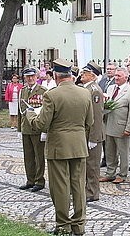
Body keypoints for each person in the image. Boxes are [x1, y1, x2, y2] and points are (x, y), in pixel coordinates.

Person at [26, 59, 93, 236]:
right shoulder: (84, 93)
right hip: (78, 145)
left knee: (60, 186)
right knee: (78, 185)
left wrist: (30, 115)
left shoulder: (52, 95)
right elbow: (90, 122)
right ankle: (79, 225)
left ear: (56, 76)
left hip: (58, 146)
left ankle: (63, 225)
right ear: (71, 75)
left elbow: (42, 124)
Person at [100, 68, 130, 183]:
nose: (116, 78)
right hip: (109, 124)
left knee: (123, 152)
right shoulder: (111, 88)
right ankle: (110, 173)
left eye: (119, 76)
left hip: (122, 127)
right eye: (115, 75)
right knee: (109, 151)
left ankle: (122, 174)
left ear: (126, 77)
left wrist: (129, 128)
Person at [17, 67, 47, 192]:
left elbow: (46, 111)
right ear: (25, 78)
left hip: (37, 127)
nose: (30, 79)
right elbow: (20, 111)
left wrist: (44, 129)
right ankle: (30, 180)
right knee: (28, 156)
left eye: (32, 76)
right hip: (26, 127)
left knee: (39, 156)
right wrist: (19, 129)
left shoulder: (43, 91)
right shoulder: (22, 91)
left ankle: (39, 181)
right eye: (28, 77)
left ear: (37, 77)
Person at [80, 61, 104, 203]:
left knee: (92, 165)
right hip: (85, 132)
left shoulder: (94, 90)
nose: (82, 75)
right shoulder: (86, 88)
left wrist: (93, 138)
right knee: (85, 164)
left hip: (92, 134)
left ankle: (92, 192)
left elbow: (96, 115)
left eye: (86, 73)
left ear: (93, 76)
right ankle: (86, 189)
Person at [98, 62, 116, 168]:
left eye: (111, 69)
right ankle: (105, 158)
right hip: (102, 111)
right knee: (104, 137)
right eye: (108, 69)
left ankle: (112, 159)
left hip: (111, 111)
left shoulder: (116, 81)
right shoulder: (103, 81)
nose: (109, 71)